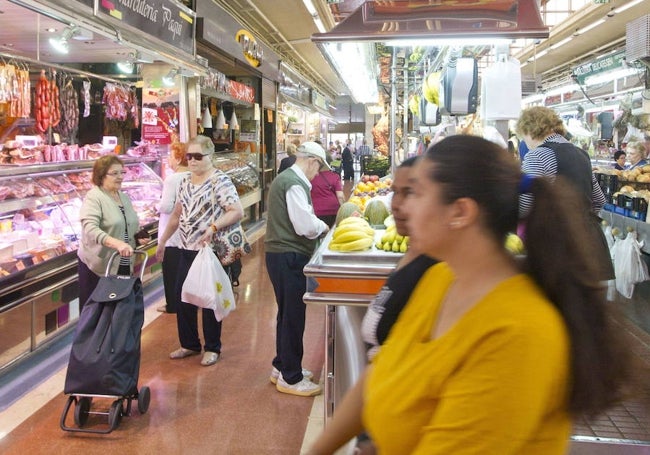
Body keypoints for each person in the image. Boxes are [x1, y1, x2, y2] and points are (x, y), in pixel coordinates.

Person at [308, 135, 631, 455]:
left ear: (460, 212)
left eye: (416, 193)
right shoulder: (439, 279)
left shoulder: (518, 332)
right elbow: (381, 373)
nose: (402, 207)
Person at [355, 157, 438, 453]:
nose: (395, 204)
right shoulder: (412, 255)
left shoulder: (440, 274)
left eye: (410, 193)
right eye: (395, 192)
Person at [155, 135, 244, 367]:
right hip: (185, 248)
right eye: (189, 156)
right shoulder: (184, 182)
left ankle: (212, 347)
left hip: (209, 250)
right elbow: (176, 215)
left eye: (197, 156)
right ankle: (189, 344)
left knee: (208, 298)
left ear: (210, 156)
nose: (192, 161)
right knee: (182, 297)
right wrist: (163, 241)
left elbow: (236, 210)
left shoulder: (220, 181)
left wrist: (213, 227)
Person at [516, 106, 614, 280]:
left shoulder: (537, 156)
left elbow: (524, 206)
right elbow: (599, 200)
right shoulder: (581, 154)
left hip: (558, 247)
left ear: (528, 130)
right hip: (589, 245)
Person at [265, 141, 330, 396]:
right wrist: (323, 227)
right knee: (293, 316)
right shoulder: (293, 182)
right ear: (312, 161)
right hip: (288, 255)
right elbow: (303, 225)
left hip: (280, 255)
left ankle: (282, 366)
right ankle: (290, 378)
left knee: (286, 313)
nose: (317, 173)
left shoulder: (288, 179)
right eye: (318, 168)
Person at [77, 155, 145, 310]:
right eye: (114, 173)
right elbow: (90, 228)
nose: (120, 177)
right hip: (99, 265)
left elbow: (129, 223)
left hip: (123, 263)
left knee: (117, 313)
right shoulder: (94, 197)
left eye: (122, 172)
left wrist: (138, 234)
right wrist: (117, 243)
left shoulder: (123, 197)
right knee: (96, 314)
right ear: (101, 175)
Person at [157, 141, 189, 313]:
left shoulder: (172, 179)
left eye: (170, 155)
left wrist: (155, 205)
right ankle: (187, 302)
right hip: (188, 233)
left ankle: (173, 305)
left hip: (172, 234)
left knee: (171, 272)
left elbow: (167, 207)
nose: (168, 159)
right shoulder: (193, 176)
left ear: (178, 158)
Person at [310, 154, 345, 227]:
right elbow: (340, 196)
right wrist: (344, 210)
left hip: (316, 211)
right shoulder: (334, 176)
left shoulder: (311, 177)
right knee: (332, 233)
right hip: (333, 211)